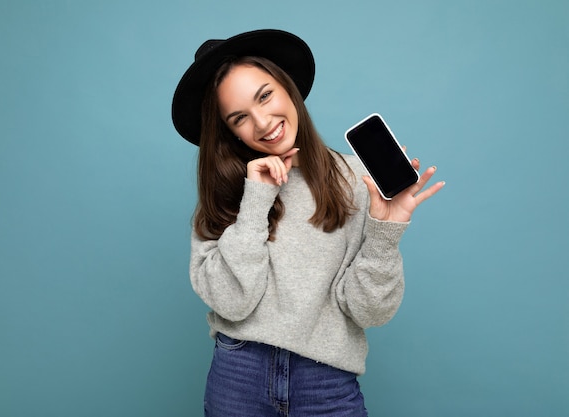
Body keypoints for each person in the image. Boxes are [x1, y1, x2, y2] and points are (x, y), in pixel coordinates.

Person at [171, 29, 444, 417]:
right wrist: (256, 200)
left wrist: (385, 231)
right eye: (239, 118)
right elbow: (233, 302)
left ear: (287, 86)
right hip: (238, 376)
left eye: (265, 96)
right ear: (229, 132)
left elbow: (370, 313)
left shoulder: (357, 180)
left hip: (326, 381)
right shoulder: (229, 193)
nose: (263, 122)